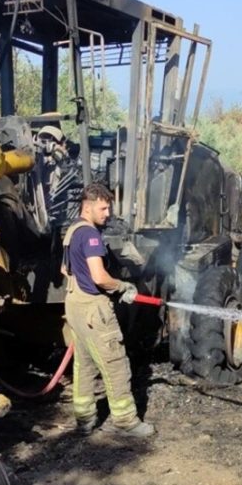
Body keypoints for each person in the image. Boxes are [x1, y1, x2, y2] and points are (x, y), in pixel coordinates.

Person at [61, 182, 154, 438]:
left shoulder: (72, 231)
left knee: (84, 364)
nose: (107, 214)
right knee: (115, 364)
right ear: (88, 207)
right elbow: (100, 277)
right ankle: (125, 421)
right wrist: (123, 286)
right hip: (94, 308)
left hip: (75, 306)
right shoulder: (90, 235)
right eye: (103, 208)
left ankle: (85, 419)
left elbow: (64, 270)